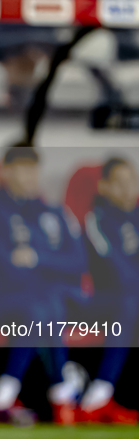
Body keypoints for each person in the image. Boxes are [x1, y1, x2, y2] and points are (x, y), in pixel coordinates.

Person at [0, 146, 88, 425]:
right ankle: (60, 394)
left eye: (33, 169)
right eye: (21, 169)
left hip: (52, 301)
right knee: (41, 307)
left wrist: (38, 259)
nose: (28, 177)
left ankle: (7, 395)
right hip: (5, 301)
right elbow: (3, 266)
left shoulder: (53, 212)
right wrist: (48, 267)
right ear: (5, 171)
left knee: (46, 304)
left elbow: (78, 261)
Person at [79, 157, 139, 424]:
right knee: (128, 301)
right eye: (119, 183)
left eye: (132, 182)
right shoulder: (98, 219)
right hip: (100, 301)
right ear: (104, 187)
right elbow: (118, 271)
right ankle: (98, 396)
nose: (127, 190)